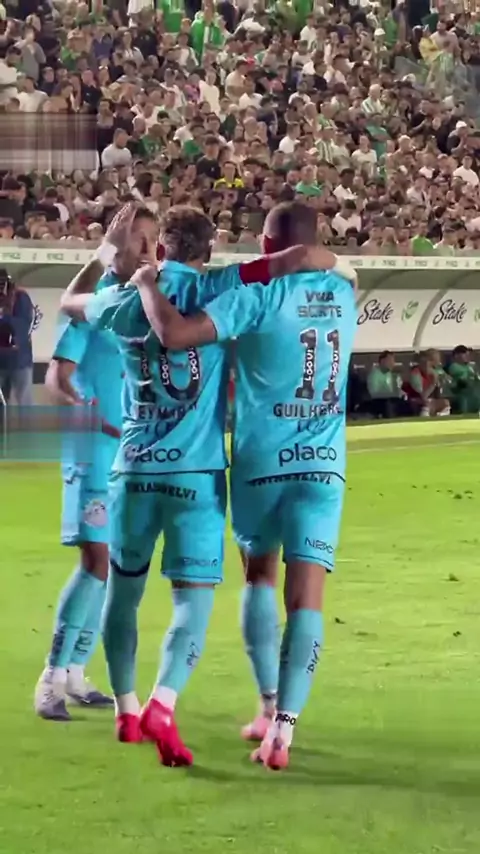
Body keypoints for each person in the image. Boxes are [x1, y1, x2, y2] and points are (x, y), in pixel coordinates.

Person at [60, 203, 355, 766]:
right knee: (241, 599)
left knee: (136, 590)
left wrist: (114, 260)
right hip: (243, 472)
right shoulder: (303, 291)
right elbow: (299, 264)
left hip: (155, 468)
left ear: (160, 249)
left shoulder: (128, 300)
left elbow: (78, 305)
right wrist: (328, 257)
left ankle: (130, 706)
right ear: (211, 249)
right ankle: (247, 720)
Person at [34, 204, 159, 721]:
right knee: (96, 562)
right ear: (117, 245)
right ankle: (49, 677)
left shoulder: (141, 302)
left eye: (152, 239)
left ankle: (76, 672)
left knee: (111, 566)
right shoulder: (96, 301)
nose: (147, 249)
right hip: (92, 451)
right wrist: (87, 412)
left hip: (126, 454)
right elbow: (56, 378)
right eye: (138, 239)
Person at [0, 268, 35, 406]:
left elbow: (22, 327)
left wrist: (4, 318)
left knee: (24, 403)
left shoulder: (20, 297)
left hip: (19, 361)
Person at [447, 345, 480, 414]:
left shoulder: (470, 366)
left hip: (474, 396)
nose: (467, 357)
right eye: (465, 355)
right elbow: (463, 378)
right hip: (462, 396)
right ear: (456, 356)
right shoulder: (454, 366)